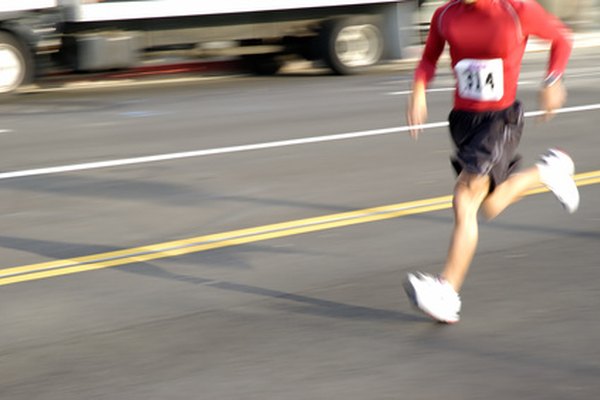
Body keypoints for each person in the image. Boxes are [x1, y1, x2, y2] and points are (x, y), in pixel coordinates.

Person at [403, 0, 580, 323]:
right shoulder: (445, 15)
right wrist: (418, 89)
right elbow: (429, 56)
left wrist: (553, 81)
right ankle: (548, 171)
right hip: (463, 121)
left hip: (500, 120)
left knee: (465, 196)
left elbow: (561, 38)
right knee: (491, 205)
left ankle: (447, 291)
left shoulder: (517, 10)